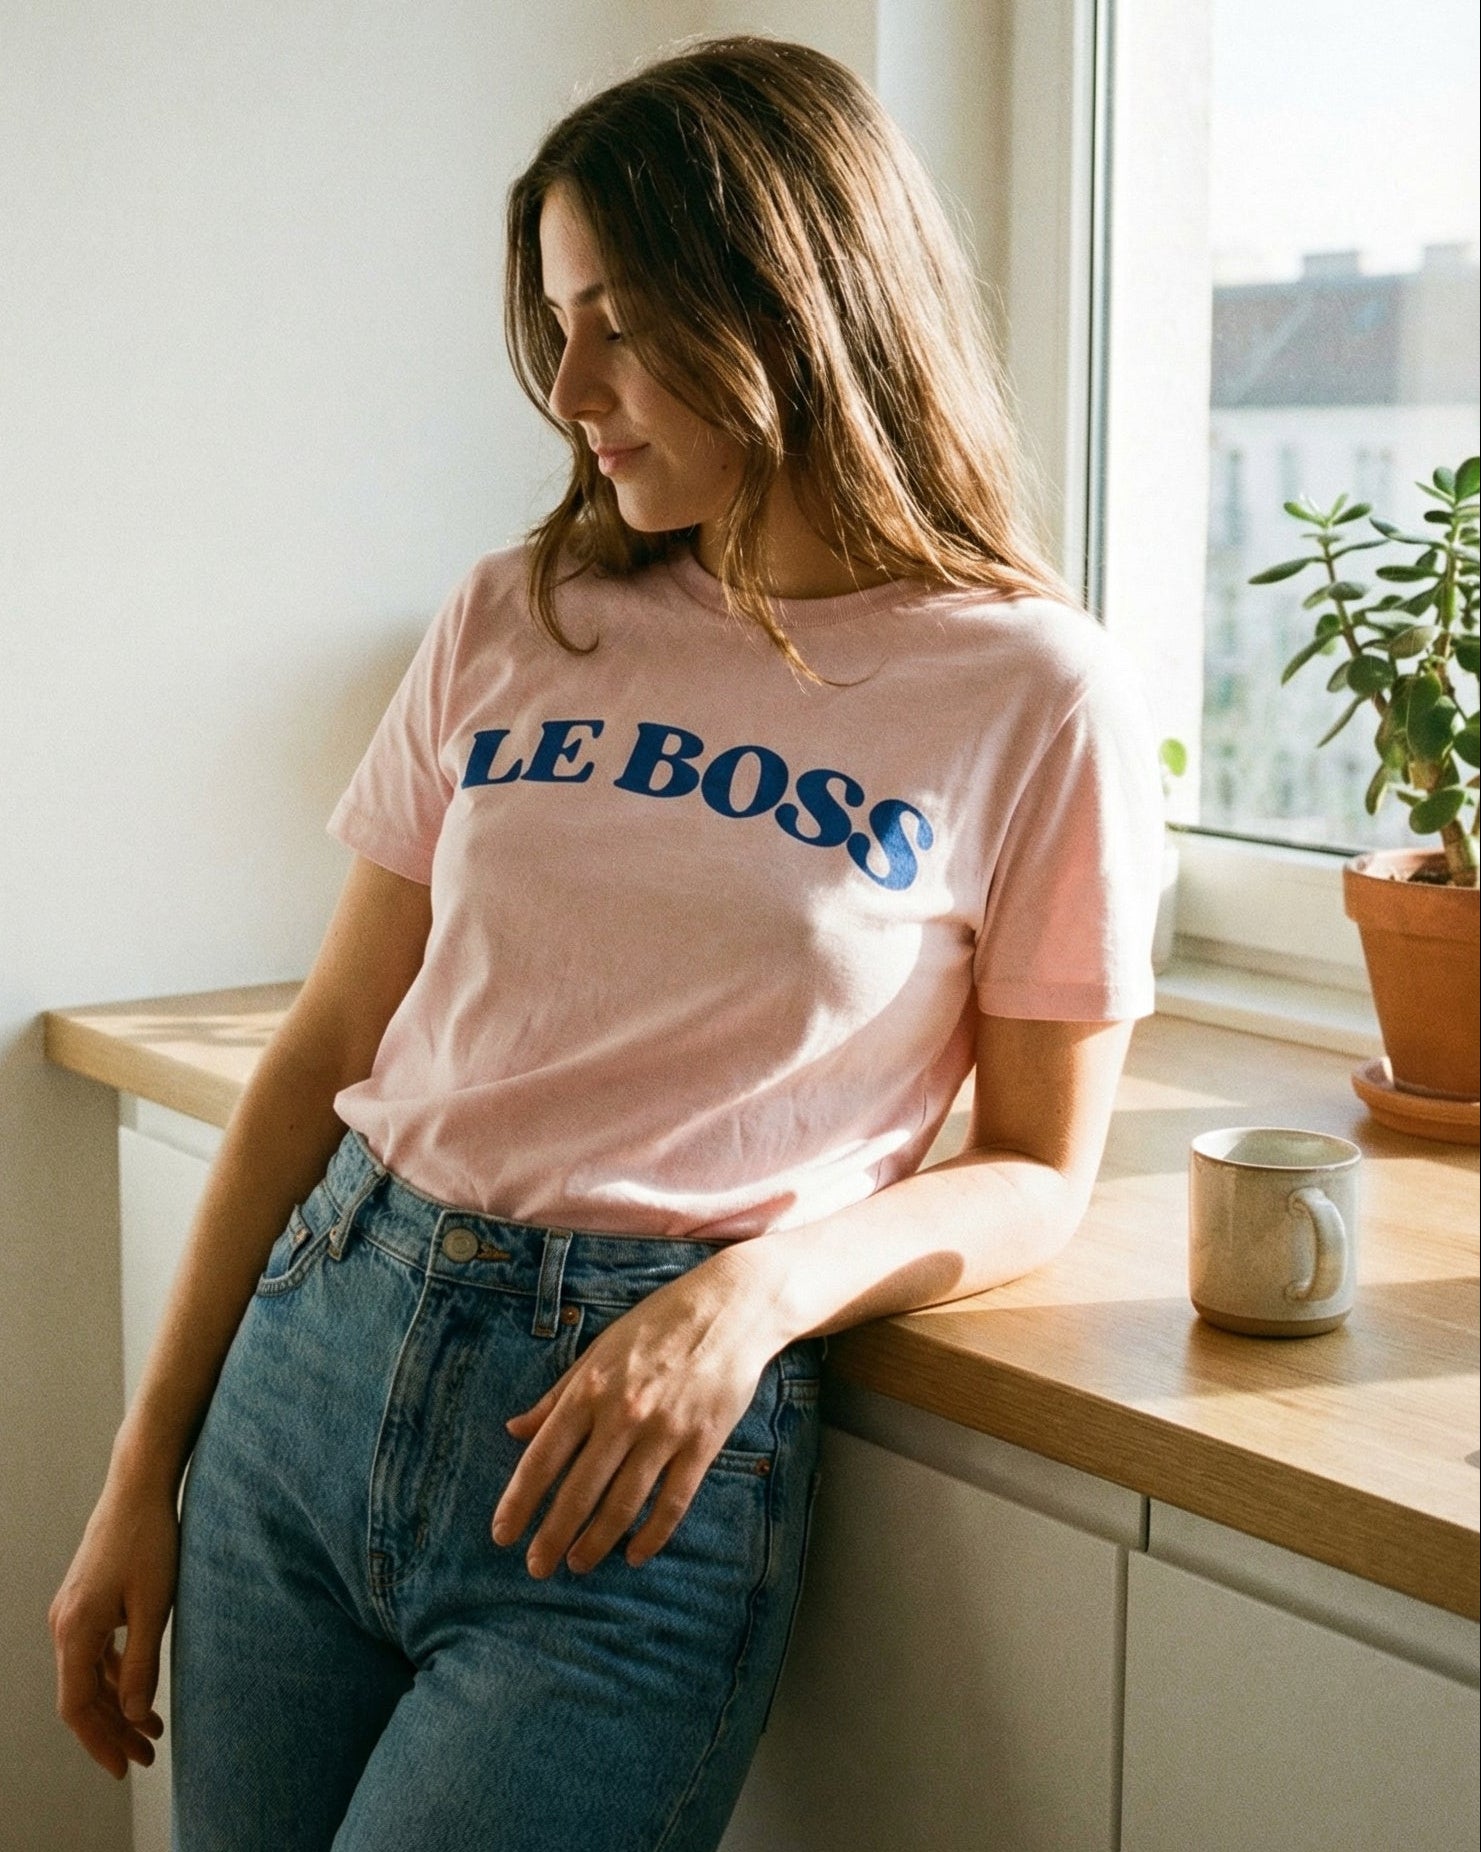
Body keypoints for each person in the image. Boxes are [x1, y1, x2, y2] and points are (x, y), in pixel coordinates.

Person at [50, 34, 1163, 1852]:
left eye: (624, 323)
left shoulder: (1033, 691)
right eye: (559, 321)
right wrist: (140, 1467)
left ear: (797, 308)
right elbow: (335, 1041)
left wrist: (752, 1295)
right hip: (312, 1365)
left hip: (625, 1475)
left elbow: (1039, 1167)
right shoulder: (516, 613)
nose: (570, 383)